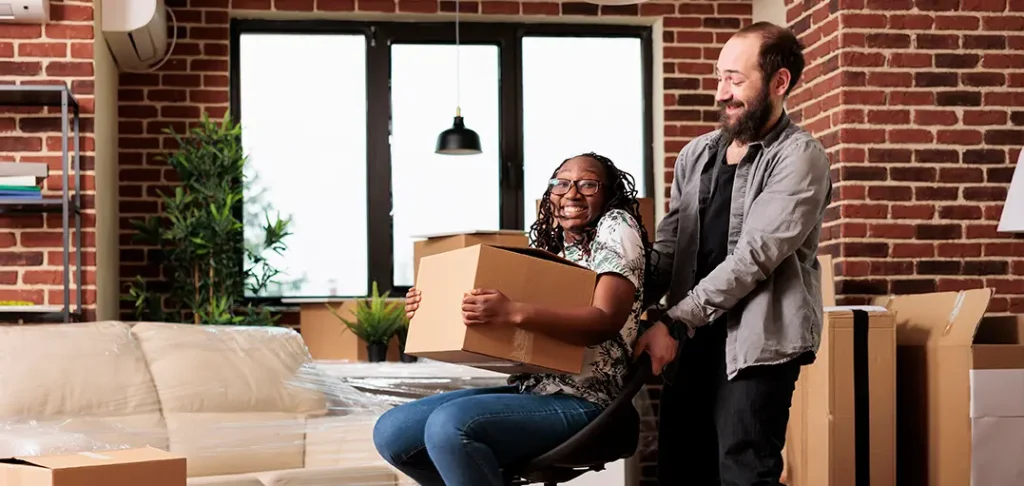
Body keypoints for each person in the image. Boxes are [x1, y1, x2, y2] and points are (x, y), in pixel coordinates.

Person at [372, 152, 652, 486]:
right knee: (393, 432)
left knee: (450, 426)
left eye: (588, 184)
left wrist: (513, 311)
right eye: (561, 183)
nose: (572, 193)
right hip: (532, 391)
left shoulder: (617, 224)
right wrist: (431, 305)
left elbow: (604, 320)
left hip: (589, 402)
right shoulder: (557, 248)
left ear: (608, 193)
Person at [633, 22, 833, 486]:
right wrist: (610, 295)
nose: (722, 92)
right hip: (689, 343)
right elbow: (670, 248)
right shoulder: (696, 154)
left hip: (754, 348)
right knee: (680, 474)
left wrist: (673, 321)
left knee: (743, 475)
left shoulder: (799, 157)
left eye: (735, 80)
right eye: (720, 78)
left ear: (779, 82)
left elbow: (753, 258)